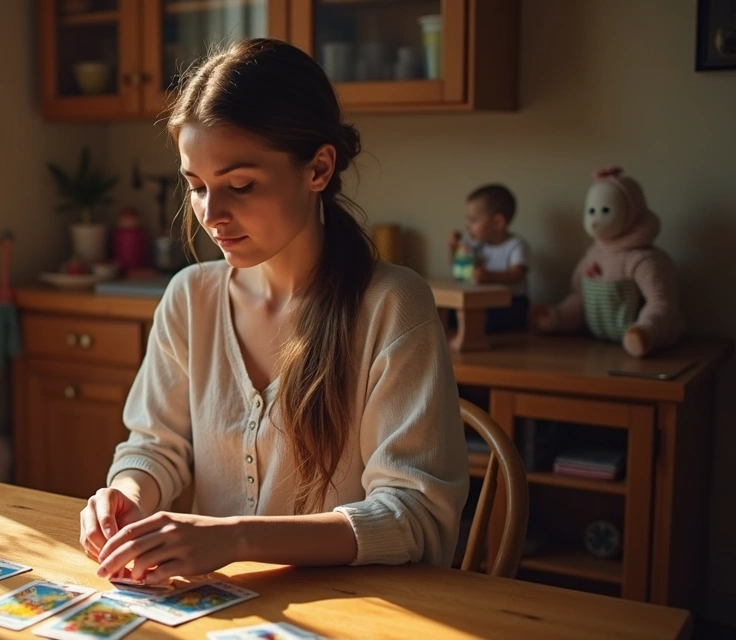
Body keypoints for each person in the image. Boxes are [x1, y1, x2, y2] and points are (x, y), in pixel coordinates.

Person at [77, 38, 468, 586]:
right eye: (197, 187)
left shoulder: (391, 306)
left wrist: (236, 537)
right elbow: (155, 446)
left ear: (318, 169)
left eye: (241, 185)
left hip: (356, 611)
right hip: (224, 610)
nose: (213, 215)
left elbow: (416, 516)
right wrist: (127, 494)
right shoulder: (190, 298)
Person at [447, 184, 532, 332]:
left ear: (497, 222)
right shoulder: (477, 245)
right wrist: (454, 248)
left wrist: (489, 276)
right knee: (450, 314)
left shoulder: (516, 245)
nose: (468, 226)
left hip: (510, 303)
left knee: (487, 319)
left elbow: (517, 274)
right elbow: (457, 266)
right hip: (483, 302)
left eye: (473, 221)